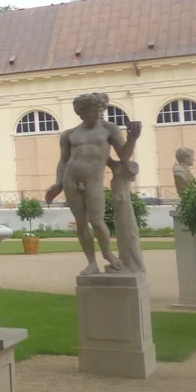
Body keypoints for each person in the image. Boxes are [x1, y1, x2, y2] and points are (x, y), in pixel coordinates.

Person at [46, 92, 140, 275]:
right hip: (71, 180)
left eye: (100, 110)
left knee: (97, 221)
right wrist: (58, 183)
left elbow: (123, 155)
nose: (98, 115)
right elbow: (64, 161)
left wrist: (133, 139)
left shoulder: (109, 129)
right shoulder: (69, 134)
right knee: (81, 223)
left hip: (93, 180)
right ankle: (91, 263)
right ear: (81, 113)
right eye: (93, 111)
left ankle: (107, 254)